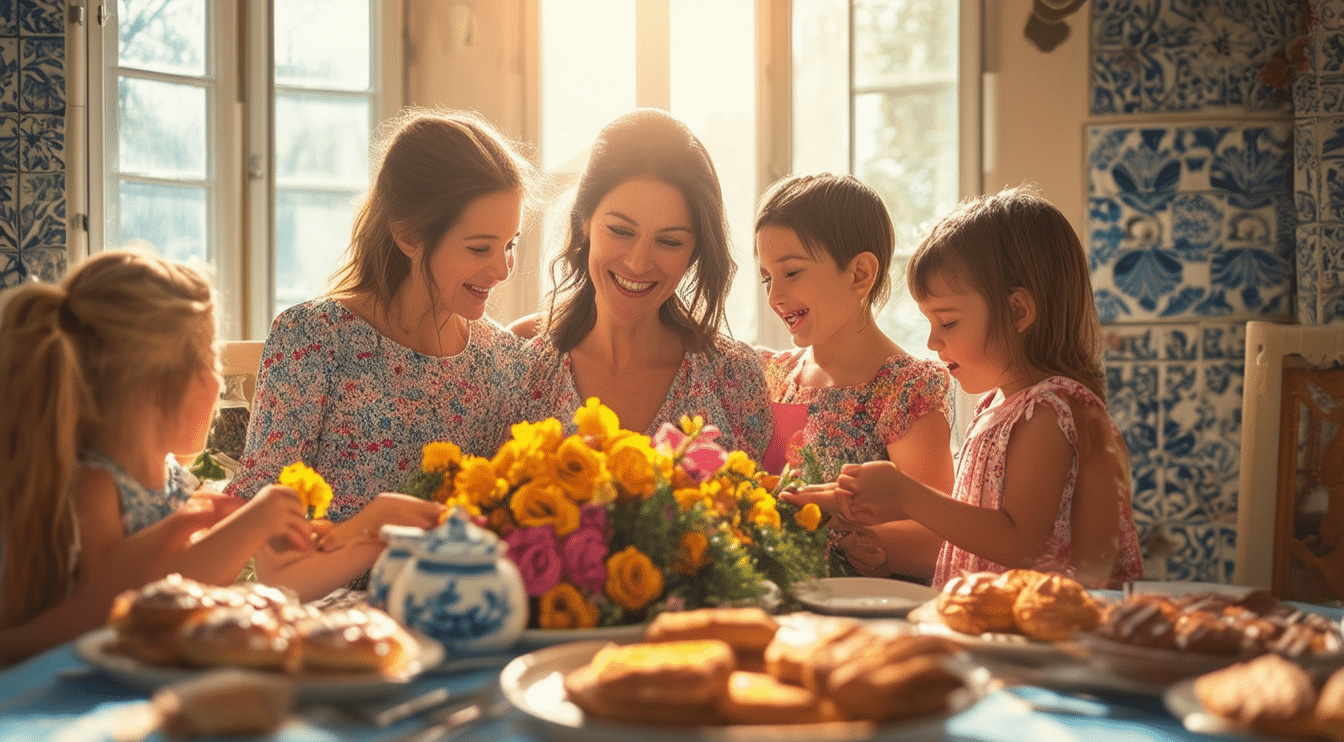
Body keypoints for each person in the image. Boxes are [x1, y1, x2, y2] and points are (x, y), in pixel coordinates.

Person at [228, 108, 537, 594]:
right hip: (322, 624)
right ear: (409, 235)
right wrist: (370, 527)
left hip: (455, 620)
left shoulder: (506, 362)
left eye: (510, 244)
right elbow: (263, 552)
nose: (502, 270)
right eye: (480, 248)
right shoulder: (313, 339)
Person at [782, 186, 1143, 589]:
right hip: (1005, 626)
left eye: (948, 322)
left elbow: (1019, 541)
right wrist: (849, 510)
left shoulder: (1051, 410)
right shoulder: (999, 405)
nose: (933, 342)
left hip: (1055, 636)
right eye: (929, 323)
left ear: (1018, 311)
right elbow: (973, 531)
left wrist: (905, 494)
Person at [0, 249, 319, 664]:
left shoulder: (173, 478)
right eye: (211, 358)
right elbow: (122, 610)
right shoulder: (96, 487)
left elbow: (184, 588)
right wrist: (248, 524)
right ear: (156, 386)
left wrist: (247, 537)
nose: (219, 378)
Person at [510, 109, 771, 458]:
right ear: (584, 222)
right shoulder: (521, 362)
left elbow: (762, 507)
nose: (638, 262)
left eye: (670, 241)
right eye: (620, 231)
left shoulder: (734, 377)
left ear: (695, 251)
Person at [755, 173, 954, 582]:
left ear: (859, 274)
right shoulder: (773, 376)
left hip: (863, 616)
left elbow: (940, 537)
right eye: (766, 278)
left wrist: (857, 539)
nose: (774, 296)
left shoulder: (905, 389)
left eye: (791, 272)